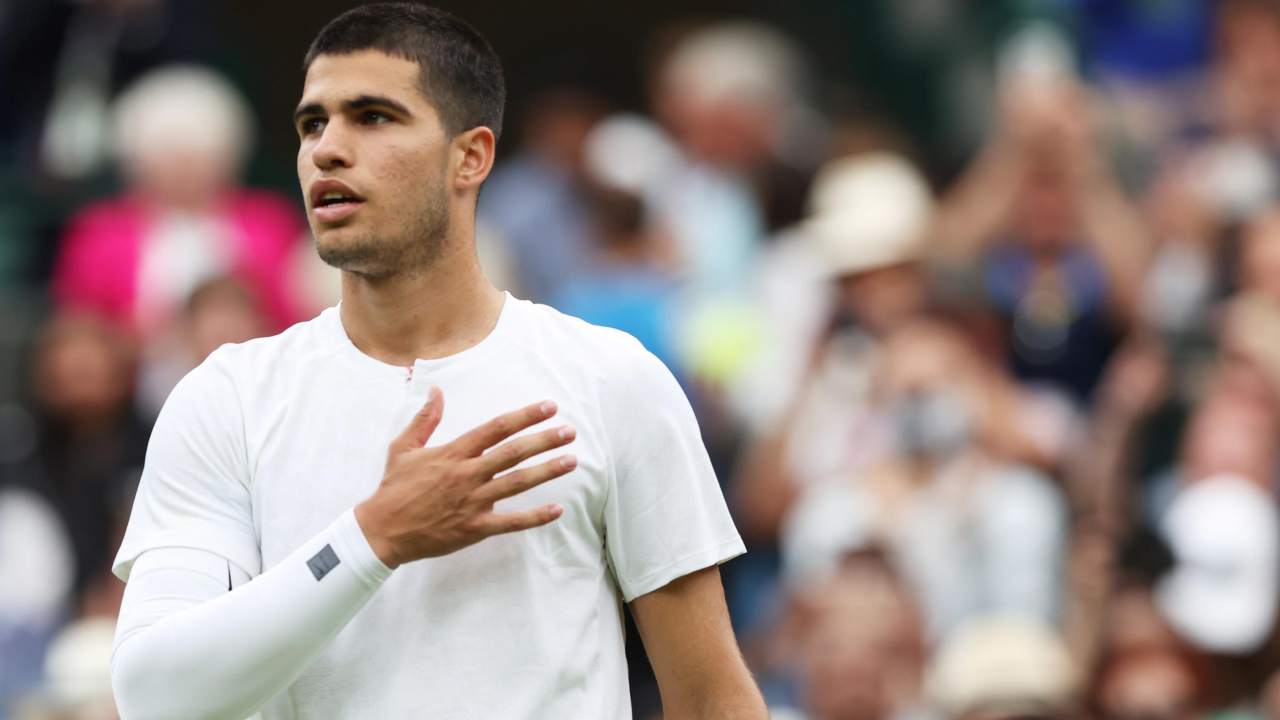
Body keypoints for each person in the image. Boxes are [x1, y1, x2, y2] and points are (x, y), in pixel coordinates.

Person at [107, 5, 764, 719]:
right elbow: (153, 695)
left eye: (374, 117)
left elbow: (712, 699)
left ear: (471, 156)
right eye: (312, 123)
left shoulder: (612, 380)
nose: (327, 148)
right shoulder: (227, 395)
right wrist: (374, 537)